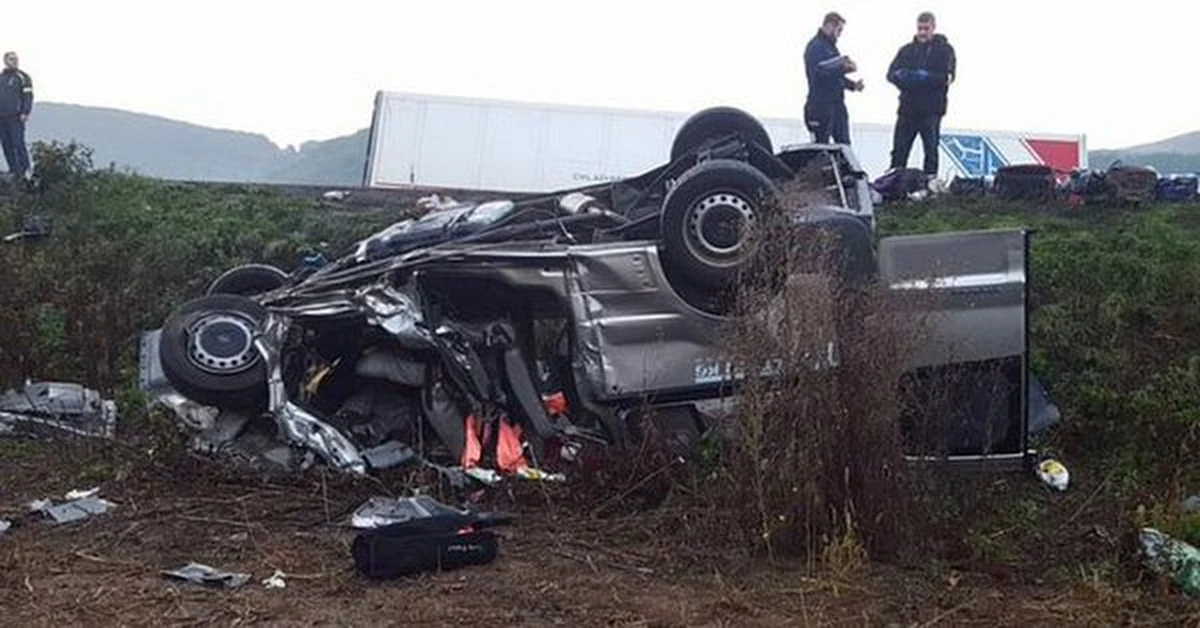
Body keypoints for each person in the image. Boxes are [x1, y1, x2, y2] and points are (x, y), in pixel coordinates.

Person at [885, 11, 956, 180]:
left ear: (933, 28)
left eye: (926, 28)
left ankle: (929, 184)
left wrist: (924, 77)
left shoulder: (945, 50)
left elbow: (947, 77)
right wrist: (903, 77)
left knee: (930, 150)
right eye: (920, 28)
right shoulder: (906, 50)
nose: (923, 32)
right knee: (899, 149)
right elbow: (890, 74)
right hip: (908, 109)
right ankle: (894, 184)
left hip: (931, 109)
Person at [803, 11, 864, 145]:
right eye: (839, 30)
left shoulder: (832, 48)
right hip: (820, 106)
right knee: (821, 147)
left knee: (844, 146)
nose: (840, 34)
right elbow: (819, 75)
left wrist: (853, 85)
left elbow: (836, 78)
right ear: (830, 26)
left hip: (837, 104)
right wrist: (843, 67)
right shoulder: (815, 47)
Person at [0, 51, 33, 180]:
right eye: (11, 59)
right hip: (1, 118)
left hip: (15, 117)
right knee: (6, 144)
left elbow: (28, 96)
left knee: (18, 143)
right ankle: (13, 170)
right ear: (5, 61)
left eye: (16, 59)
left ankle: (26, 170)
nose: (14, 61)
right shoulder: (1, 78)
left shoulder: (23, 77)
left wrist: (25, 111)